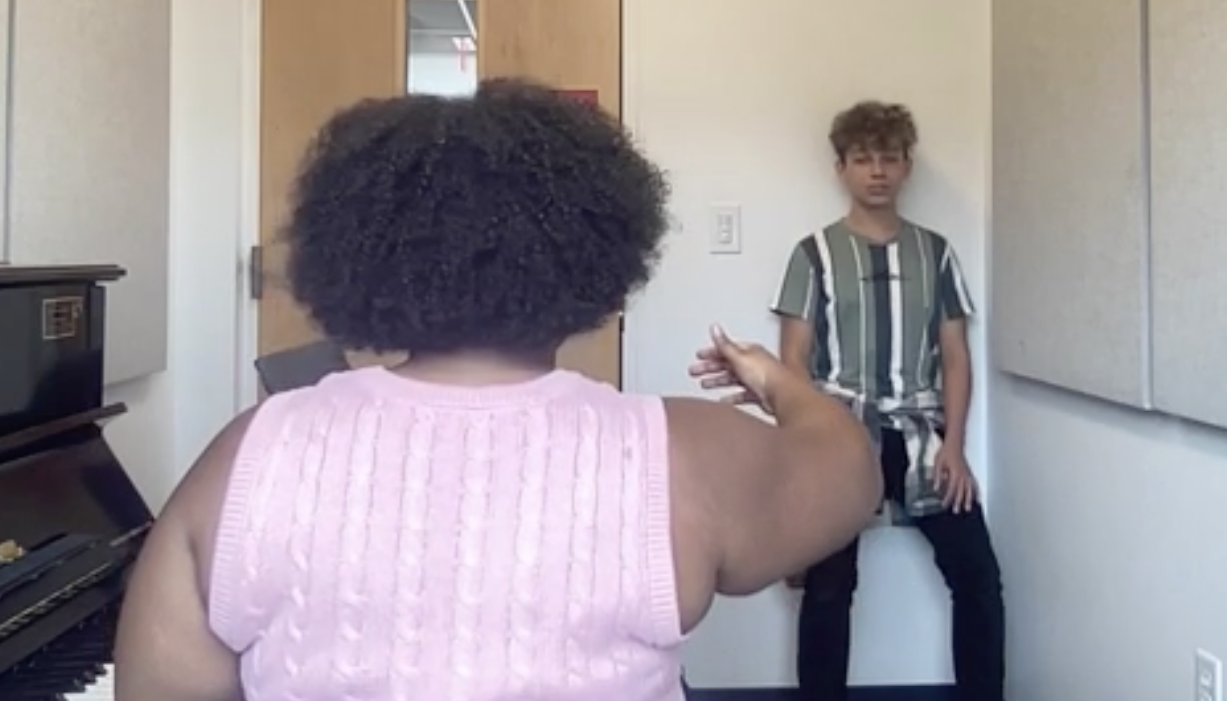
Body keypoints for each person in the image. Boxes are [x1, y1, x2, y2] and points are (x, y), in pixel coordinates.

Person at [113, 79, 882, 701]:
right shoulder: (677, 453)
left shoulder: (250, 453)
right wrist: (779, 380)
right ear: (596, 252)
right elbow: (849, 470)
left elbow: (159, 686)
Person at [772, 101, 1006, 701]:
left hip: (923, 434)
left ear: (906, 166)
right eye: (862, 159)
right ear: (841, 168)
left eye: (889, 158)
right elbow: (793, 361)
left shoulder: (936, 252)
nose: (877, 171)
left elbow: (955, 355)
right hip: (839, 435)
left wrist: (955, 447)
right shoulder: (813, 254)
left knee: (978, 578)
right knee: (829, 587)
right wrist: (806, 450)